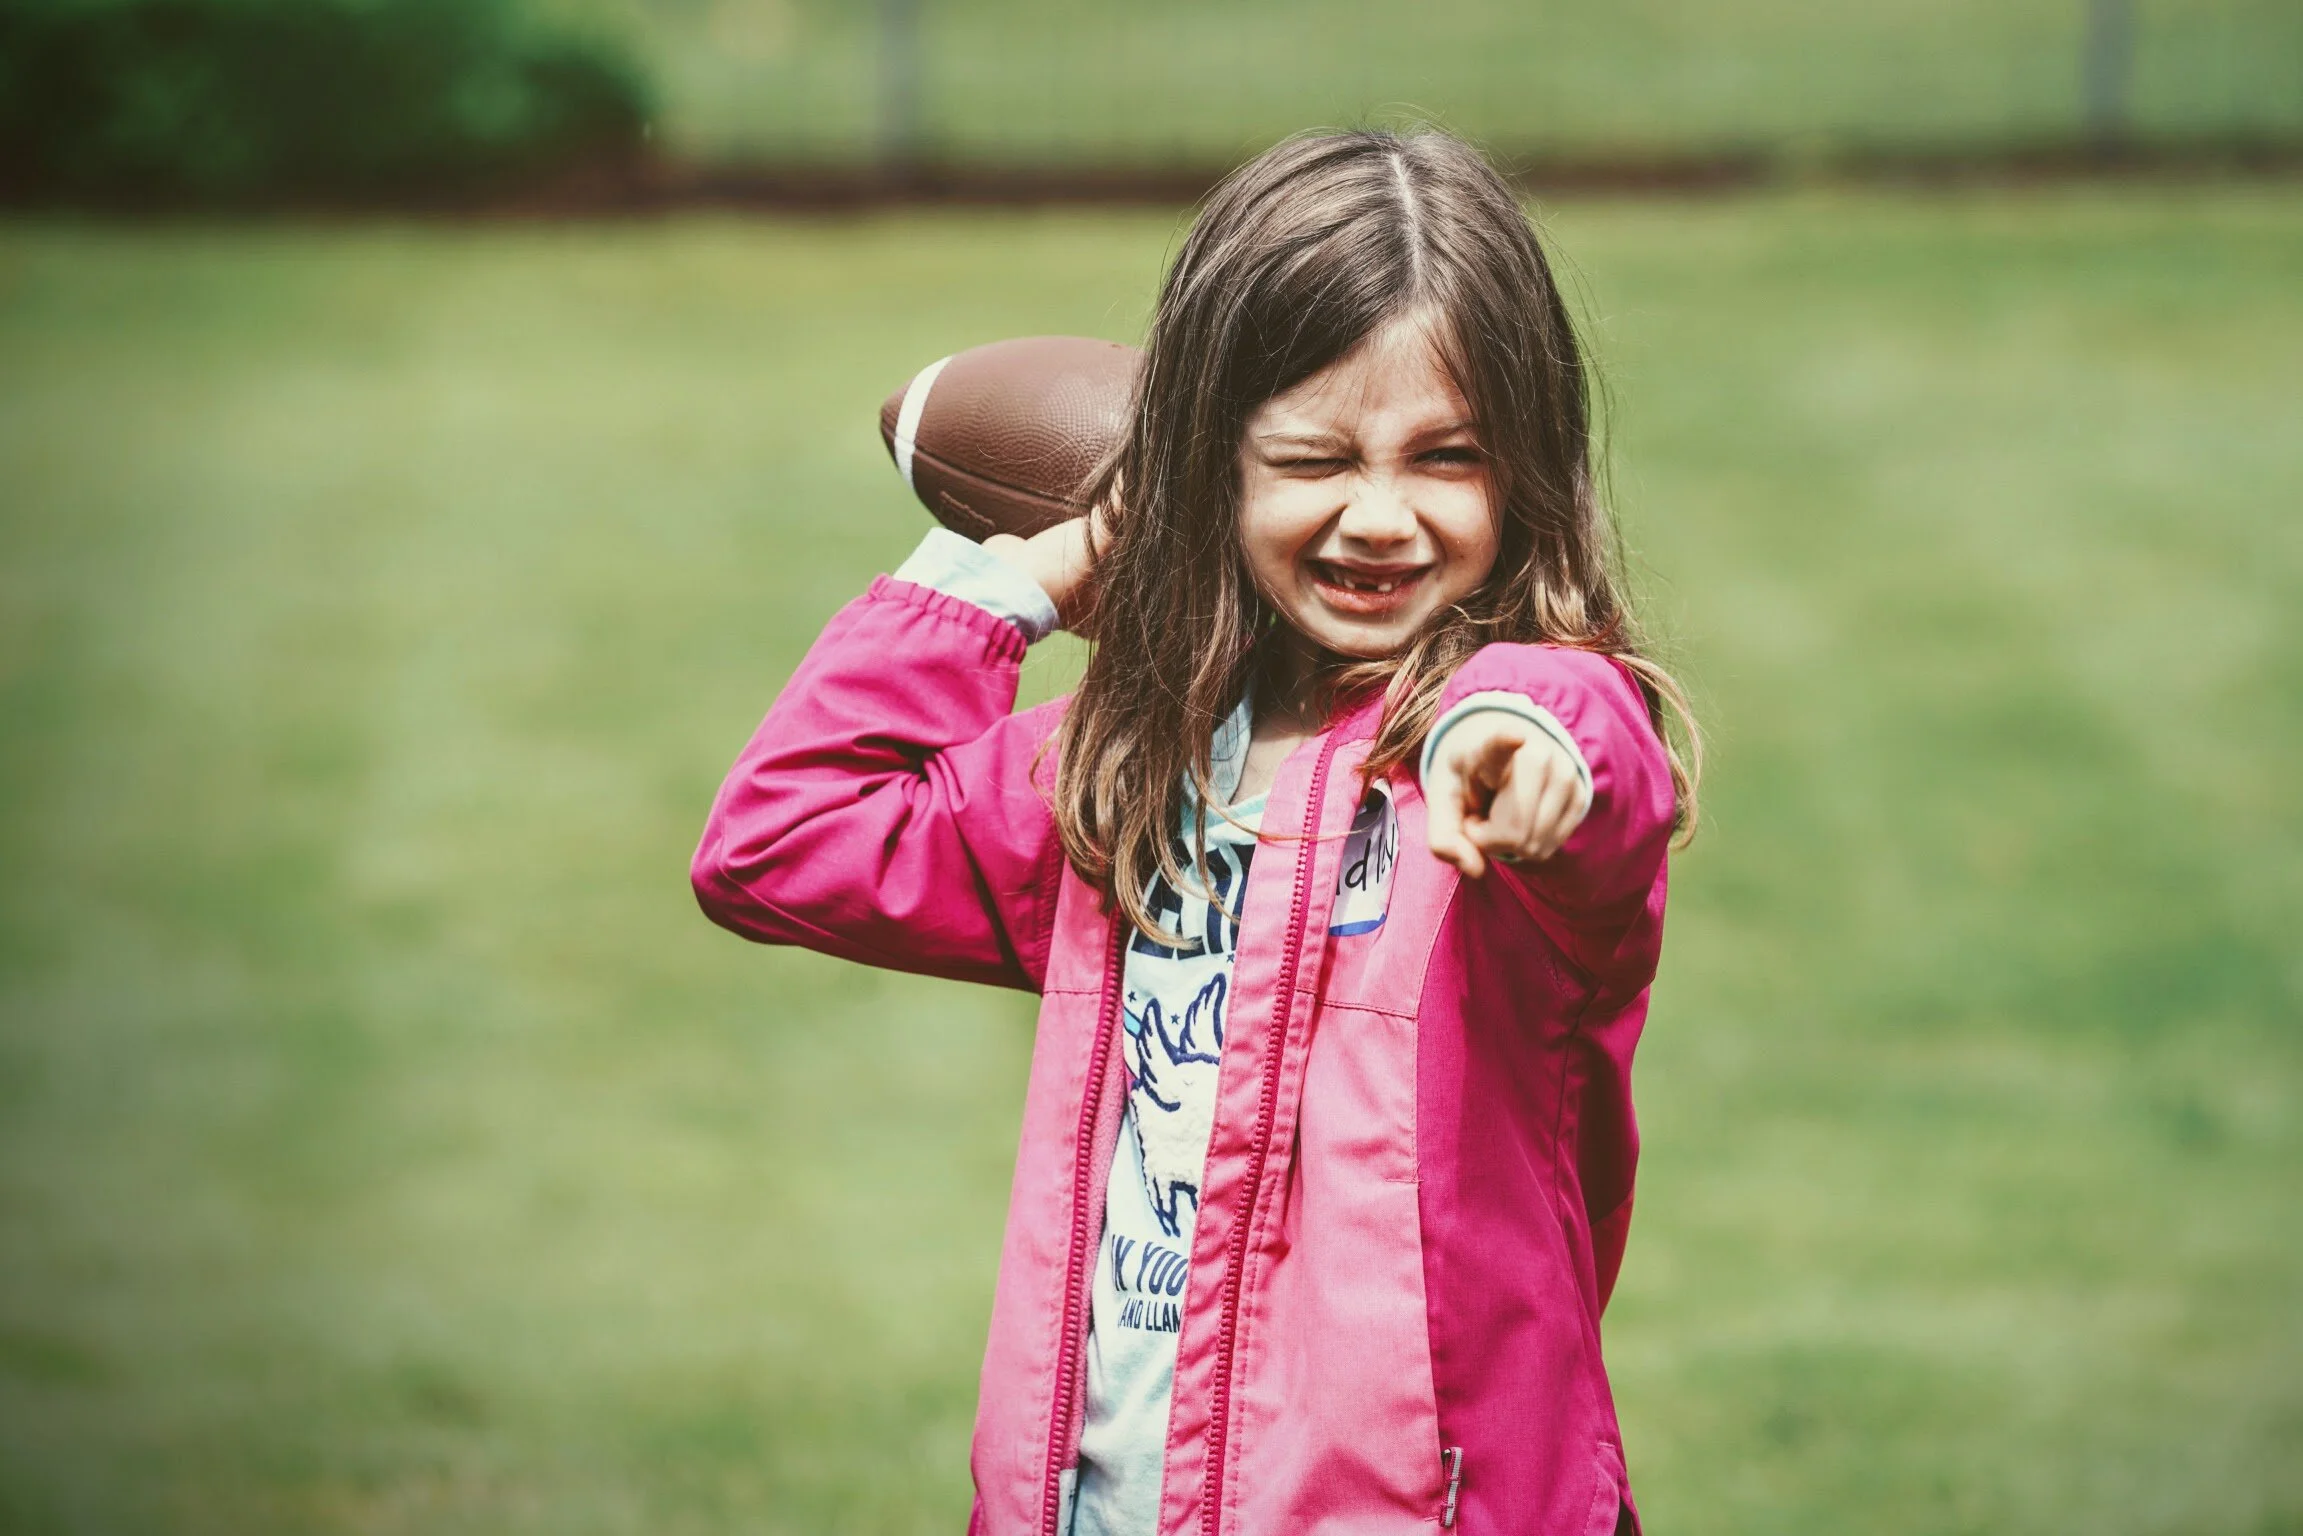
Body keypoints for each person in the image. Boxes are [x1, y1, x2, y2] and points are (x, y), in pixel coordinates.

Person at [691, 127, 1699, 1536]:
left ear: (1525, 470)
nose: (1380, 515)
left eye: (1446, 458)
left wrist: (1515, 742)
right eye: (1312, 458)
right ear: (1202, 470)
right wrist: (1027, 578)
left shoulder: (1496, 773)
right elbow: (778, 842)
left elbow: (1575, 738)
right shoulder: (1121, 779)